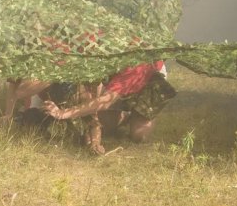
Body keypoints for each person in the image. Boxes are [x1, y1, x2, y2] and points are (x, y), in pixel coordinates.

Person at [41, 61, 175, 151]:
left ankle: (137, 115)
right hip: (118, 82)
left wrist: (63, 113)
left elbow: (104, 101)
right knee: (105, 124)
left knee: (138, 136)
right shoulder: (94, 43)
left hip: (149, 84)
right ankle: (125, 117)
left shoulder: (131, 67)